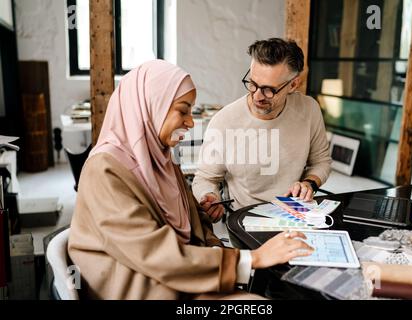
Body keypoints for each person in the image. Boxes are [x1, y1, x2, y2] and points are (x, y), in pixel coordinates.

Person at [68, 60, 314, 300]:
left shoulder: (161, 159)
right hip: (144, 286)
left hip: (176, 279)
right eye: (182, 109)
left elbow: (189, 221)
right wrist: (253, 259)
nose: (190, 122)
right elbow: (154, 255)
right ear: (151, 106)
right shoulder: (104, 170)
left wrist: (204, 213)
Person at [192, 38, 332, 222]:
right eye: (253, 83)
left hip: (295, 216)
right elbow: (205, 178)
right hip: (246, 220)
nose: (257, 95)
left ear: (293, 85)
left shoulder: (309, 109)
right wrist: (209, 196)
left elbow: (321, 161)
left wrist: (309, 183)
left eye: (269, 90)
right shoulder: (225, 121)